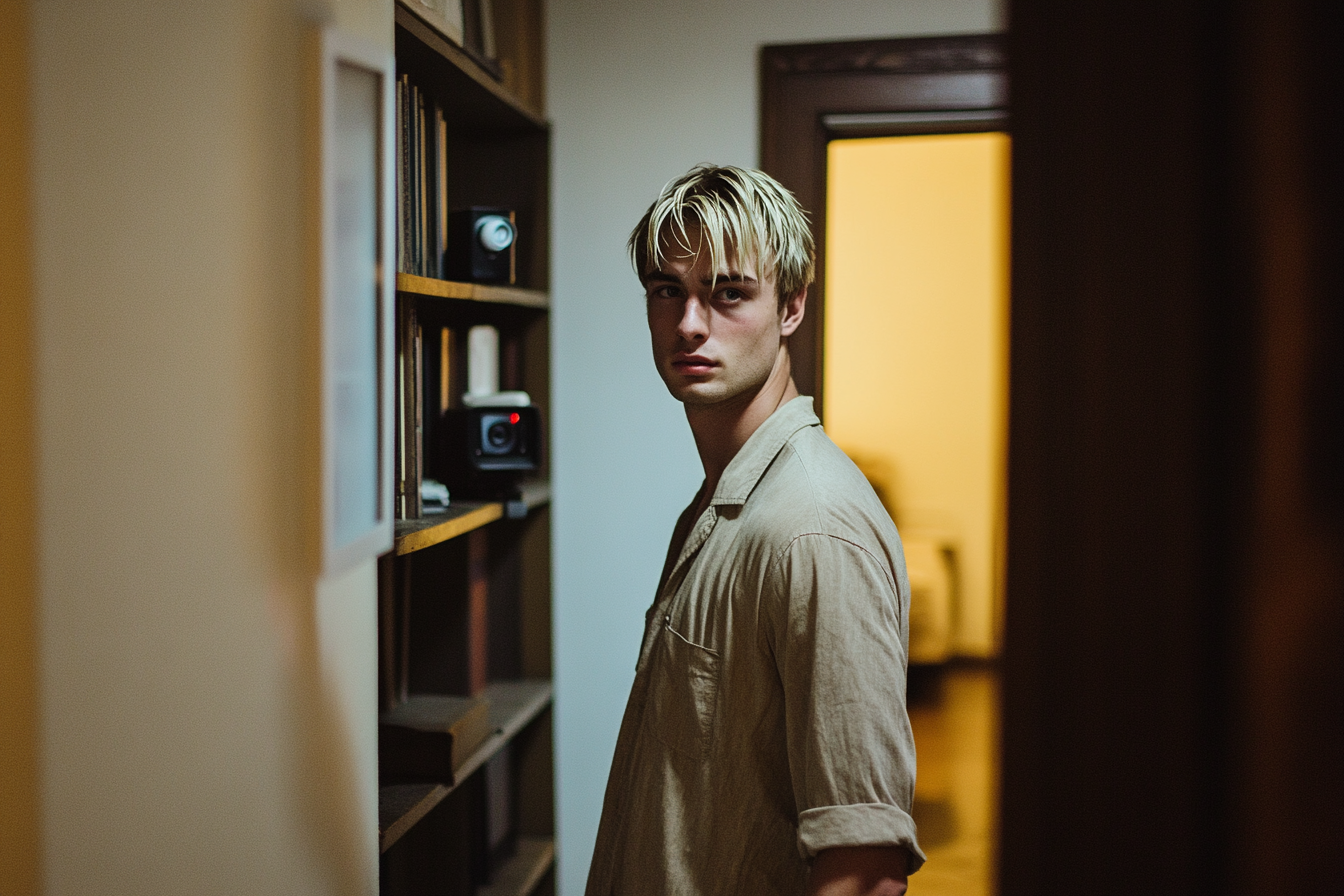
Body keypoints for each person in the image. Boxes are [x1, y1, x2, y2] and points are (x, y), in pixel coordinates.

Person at [585, 165, 924, 896]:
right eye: (666, 291)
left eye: (728, 292)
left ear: (792, 307)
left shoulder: (814, 528)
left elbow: (864, 868)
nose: (689, 324)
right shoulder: (725, 502)